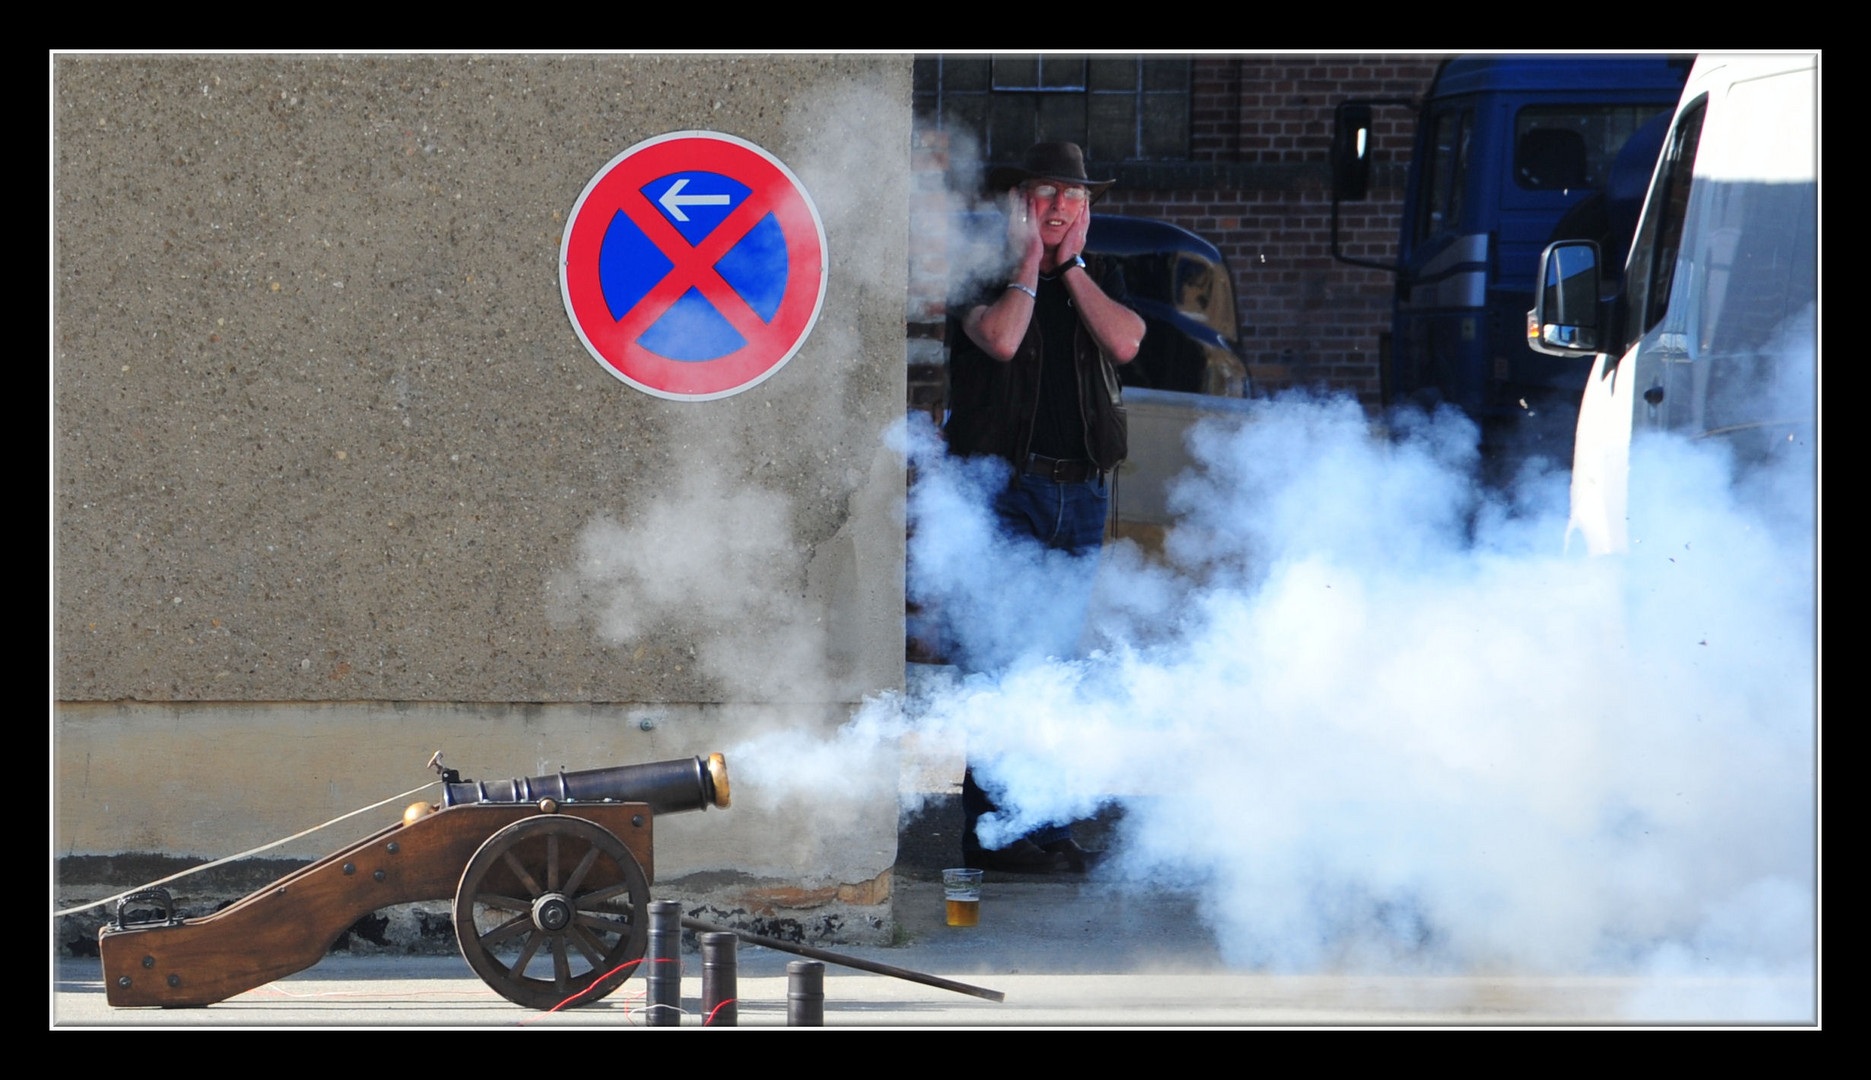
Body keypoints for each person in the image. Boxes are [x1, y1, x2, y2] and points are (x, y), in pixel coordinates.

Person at [942, 142, 1145, 873]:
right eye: (1044, 193)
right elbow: (999, 340)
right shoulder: (981, 272)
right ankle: (993, 833)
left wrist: (1071, 270)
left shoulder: (1099, 278)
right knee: (999, 662)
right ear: (1018, 203)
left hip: (1081, 492)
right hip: (1005, 487)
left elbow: (1124, 342)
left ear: (1086, 211)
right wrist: (1029, 264)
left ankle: (1046, 825)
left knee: (1053, 668)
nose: (1058, 206)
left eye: (1072, 195)